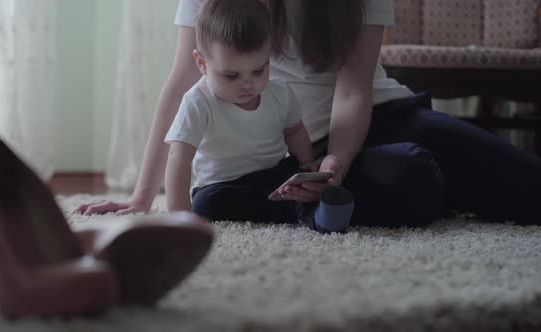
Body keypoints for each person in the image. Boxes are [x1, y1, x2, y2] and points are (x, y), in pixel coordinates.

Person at [77, 0, 541, 228]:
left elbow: (354, 87)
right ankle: (417, 184)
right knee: (410, 181)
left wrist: (335, 161)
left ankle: (413, 181)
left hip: (378, 115)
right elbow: (182, 80)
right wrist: (142, 196)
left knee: (525, 186)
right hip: (289, 153)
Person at [165, 0, 352, 233]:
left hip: (273, 175)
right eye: (231, 75)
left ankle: (322, 217)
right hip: (224, 185)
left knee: (298, 185)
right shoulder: (198, 102)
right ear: (202, 63)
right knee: (206, 204)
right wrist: (180, 215)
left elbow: (294, 130)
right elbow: (178, 158)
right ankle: (298, 212)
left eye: (259, 70)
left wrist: (306, 163)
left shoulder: (280, 93)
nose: (248, 84)